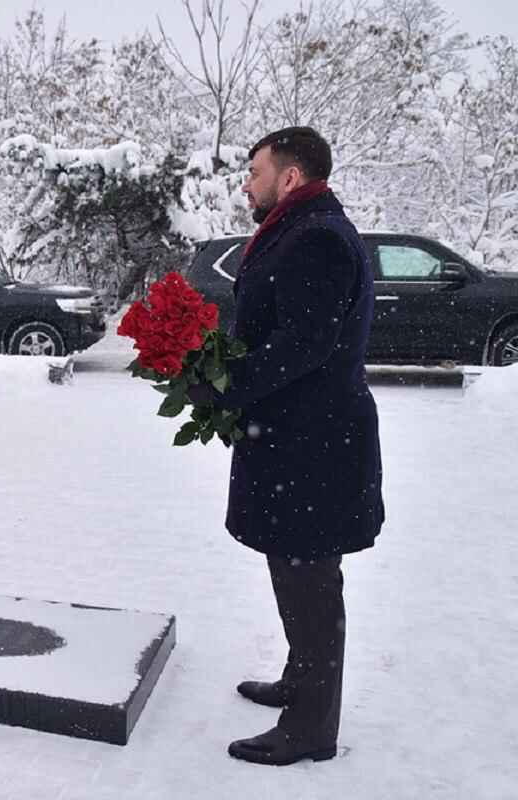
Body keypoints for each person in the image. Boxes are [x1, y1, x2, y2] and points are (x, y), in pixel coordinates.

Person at [195, 127, 385, 766]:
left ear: (291, 177)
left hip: (316, 444)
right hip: (295, 439)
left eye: (255, 171)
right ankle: (300, 681)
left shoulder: (319, 239)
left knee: (312, 583)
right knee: (292, 568)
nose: (246, 183)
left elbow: (303, 345)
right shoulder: (299, 228)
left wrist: (224, 387)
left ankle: (311, 728)